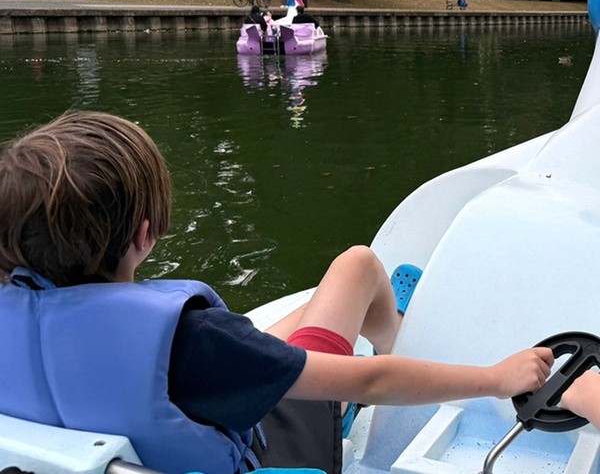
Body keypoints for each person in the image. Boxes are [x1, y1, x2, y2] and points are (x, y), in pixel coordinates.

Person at [0, 111, 554, 474]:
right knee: (358, 267)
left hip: (158, 433)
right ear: (145, 234)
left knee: (294, 318)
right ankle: (397, 339)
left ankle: (353, 341)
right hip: (275, 452)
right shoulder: (194, 339)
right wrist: (496, 378)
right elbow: (374, 381)